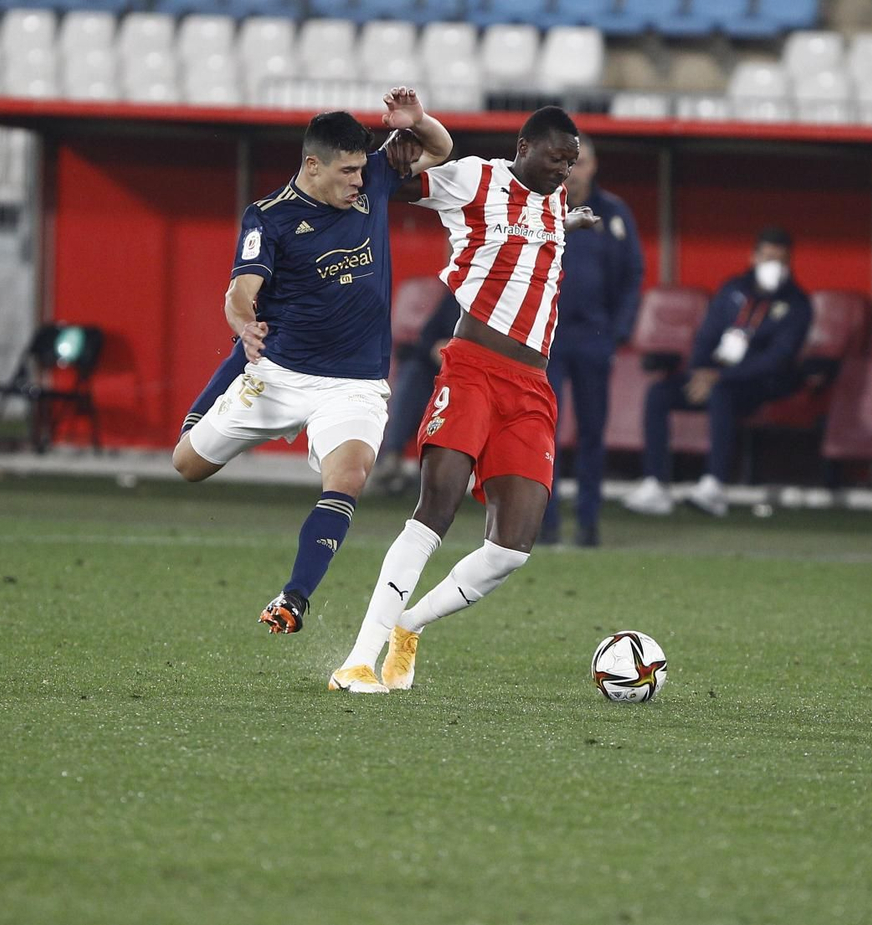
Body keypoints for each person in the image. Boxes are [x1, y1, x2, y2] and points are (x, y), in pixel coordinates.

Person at [330, 104, 600, 694]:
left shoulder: (554, 204)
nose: (566, 171)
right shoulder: (475, 177)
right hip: (472, 369)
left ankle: (408, 627)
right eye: (557, 159)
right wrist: (401, 146)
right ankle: (356, 660)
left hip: (531, 388)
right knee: (437, 509)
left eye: (572, 163)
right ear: (524, 146)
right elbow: (397, 183)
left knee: (511, 549)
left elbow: (542, 224)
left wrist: (573, 221)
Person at [171, 93, 454, 634]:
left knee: (348, 477)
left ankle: (293, 598)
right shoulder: (269, 217)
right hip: (278, 375)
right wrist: (243, 326)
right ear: (312, 165)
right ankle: (219, 395)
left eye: (360, 169)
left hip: (354, 385)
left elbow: (439, 150)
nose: (357, 180)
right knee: (187, 465)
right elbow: (240, 291)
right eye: (346, 170)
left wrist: (418, 122)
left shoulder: (374, 175)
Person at [622, 227, 811, 518]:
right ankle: (655, 483)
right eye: (767, 257)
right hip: (713, 376)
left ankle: (714, 486)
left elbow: (777, 358)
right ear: (754, 256)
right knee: (659, 393)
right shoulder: (732, 289)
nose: (773, 266)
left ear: (789, 264)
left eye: (780, 260)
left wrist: (719, 378)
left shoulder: (797, 304)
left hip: (761, 383)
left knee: (722, 393)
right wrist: (700, 372)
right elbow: (706, 336)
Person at [541, 136, 644, 548]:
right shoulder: (540, 207)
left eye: (580, 163)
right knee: (544, 433)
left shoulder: (615, 214)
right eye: (567, 162)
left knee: (591, 434)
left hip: (594, 339)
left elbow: (633, 275)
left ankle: (587, 523)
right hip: (545, 338)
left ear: (593, 166)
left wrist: (617, 332)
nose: (574, 170)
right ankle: (543, 524)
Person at [368, 288, 463, 495]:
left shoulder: (503, 297)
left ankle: (442, 472)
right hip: (440, 371)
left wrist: (459, 350)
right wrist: (435, 348)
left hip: (475, 376)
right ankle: (392, 457)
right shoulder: (458, 295)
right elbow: (427, 336)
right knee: (413, 374)